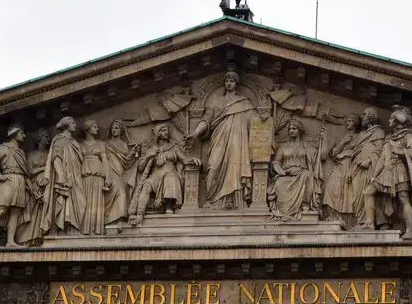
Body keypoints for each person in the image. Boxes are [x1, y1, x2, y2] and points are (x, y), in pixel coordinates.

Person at [184, 71, 255, 209]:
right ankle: (212, 200)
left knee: (235, 168)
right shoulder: (216, 102)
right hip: (218, 139)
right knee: (213, 167)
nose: (229, 83)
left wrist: (264, 122)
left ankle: (234, 201)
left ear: (236, 84)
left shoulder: (244, 103)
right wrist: (195, 134)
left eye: (232, 81)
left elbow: (254, 122)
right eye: (227, 81)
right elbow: (206, 120)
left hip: (237, 142)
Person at [363, 106, 412, 239]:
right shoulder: (389, 137)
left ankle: (410, 231)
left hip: (400, 171)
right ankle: (369, 223)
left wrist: (401, 152)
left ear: (397, 121)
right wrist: (374, 175)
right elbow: (382, 159)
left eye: (391, 119)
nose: (389, 121)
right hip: (386, 172)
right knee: (368, 191)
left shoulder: (408, 135)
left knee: (403, 198)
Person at [19, 116, 84, 242]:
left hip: (76, 176)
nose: (75, 125)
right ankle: (65, 229)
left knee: (79, 201)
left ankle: (75, 227)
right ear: (66, 125)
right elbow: (56, 158)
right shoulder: (59, 140)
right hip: (65, 176)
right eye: (72, 122)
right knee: (65, 201)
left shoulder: (74, 143)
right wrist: (61, 175)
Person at [129, 123, 199, 225]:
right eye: (163, 130)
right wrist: (148, 156)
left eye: (167, 130)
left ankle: (169, 206)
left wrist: (193, 159)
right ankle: (139, 214)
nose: (166, 132)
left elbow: (184, 159)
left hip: (170, 172)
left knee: (170, 178)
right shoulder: (152, 148)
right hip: (155, 175)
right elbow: (140, 168)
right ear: (157, 133)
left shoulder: (174, 146)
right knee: (147, 186)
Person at [268, 119, 322, 220]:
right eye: (289, 129)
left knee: (308, 175)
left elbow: (322, 156)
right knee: (279, 182)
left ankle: (305, 205)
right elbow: (276, 162)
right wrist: (282, 171)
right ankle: (284, 211)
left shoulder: (307, 146)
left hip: (302, 173)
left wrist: (324, 138)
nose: (291, 131)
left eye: (294, 128)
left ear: (299, 130)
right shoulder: (283, 147)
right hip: (287, 174)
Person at [320, 114, 362, 229]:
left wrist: (346, 154)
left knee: (349, 192)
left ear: (356, 123)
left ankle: (350, 221)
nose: (347, 123)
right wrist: (343, 142)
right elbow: (334, 153)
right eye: (347, 120)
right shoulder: (343, 137)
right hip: (340, 166)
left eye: (350, 121)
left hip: (352, 166)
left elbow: (362, 152)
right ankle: (332, 216)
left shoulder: (360, 137)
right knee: (330, 187)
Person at [79, 119, 113, 235]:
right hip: (84, 176)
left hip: (98, 176)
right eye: (94, 127)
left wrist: (108, 177)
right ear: (87, 129)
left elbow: (105, 160)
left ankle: (96, 229)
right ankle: (84, 229)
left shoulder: (100, 144)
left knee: (96, 203)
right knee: (85, 202)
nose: (97, 129)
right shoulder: (79, 145)